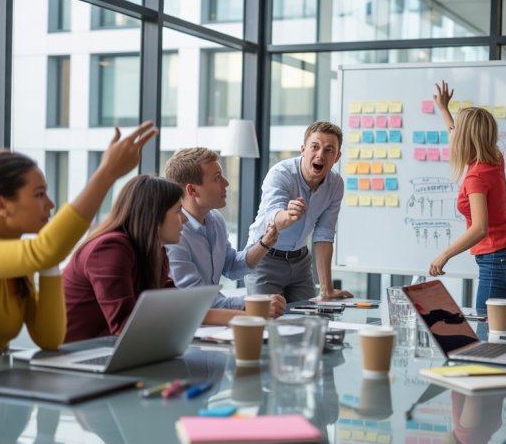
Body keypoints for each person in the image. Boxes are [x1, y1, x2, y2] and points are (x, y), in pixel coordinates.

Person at [0, 122, 157, 370]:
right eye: (39, 194)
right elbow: (44, 250)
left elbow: (49, 338)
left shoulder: (20, 263)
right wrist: (106, 174)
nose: (50, 204)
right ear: (0, 205)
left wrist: (49, 264)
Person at [63, 175, 238, 342]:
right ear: (154, 216)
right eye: (178, 211)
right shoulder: (110, 249)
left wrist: (249, 319)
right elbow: (125, 326)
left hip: (114, 350)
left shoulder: (155, 250)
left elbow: (183, 306)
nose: (184, 219)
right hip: (78, 355)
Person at [428, 81, 506, 311]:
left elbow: (480, 228)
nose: (455, 137)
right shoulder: (494, 156)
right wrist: (444, 109)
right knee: (496, 326)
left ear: (467, 138)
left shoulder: (476, 177)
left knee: (487, 327)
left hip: (498, 259)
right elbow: (455, 135)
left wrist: (444, 255)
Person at [163, 147, 285, 317]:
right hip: (185, 322)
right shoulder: (174, 234)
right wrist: (254, 302)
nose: (226, 183)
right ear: (192, 190)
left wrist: (265, 243)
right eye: (217, 178)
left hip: (210, 321)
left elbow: (231, 267)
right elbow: (196, 298)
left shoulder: (215, 219)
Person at [245, 121, 353, 302]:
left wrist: (327, 290)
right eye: (315, 147)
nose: (320, 155)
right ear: (303, 149)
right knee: (267, 323)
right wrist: (288, 216)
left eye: (329, 150)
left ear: (337, 156)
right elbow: (272, 215)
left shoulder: (335, 184)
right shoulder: (281, 174)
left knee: (308, 322)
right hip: (264, 259)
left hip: (301, 263)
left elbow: (324, 234)